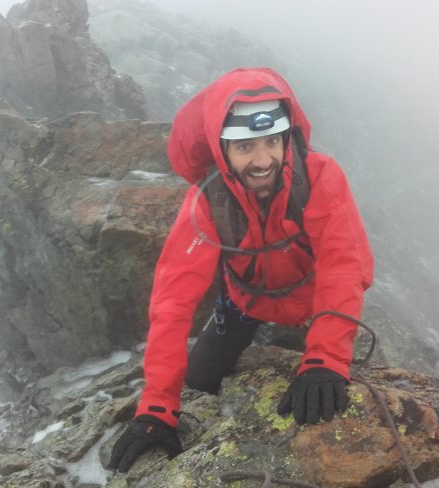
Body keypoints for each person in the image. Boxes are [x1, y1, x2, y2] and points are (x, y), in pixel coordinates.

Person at [108, 67, 374, 472]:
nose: (263, 160)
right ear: (222, 149)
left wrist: (326, 358)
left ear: (287, 139)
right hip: (244, 303)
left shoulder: (319, 177)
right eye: (245, 147)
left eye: (272, 141)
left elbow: (343, 265)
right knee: (199, 383)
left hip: (314, 304)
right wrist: (157, 405)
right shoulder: (209, 200)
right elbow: (173, 299)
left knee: (328, 393)